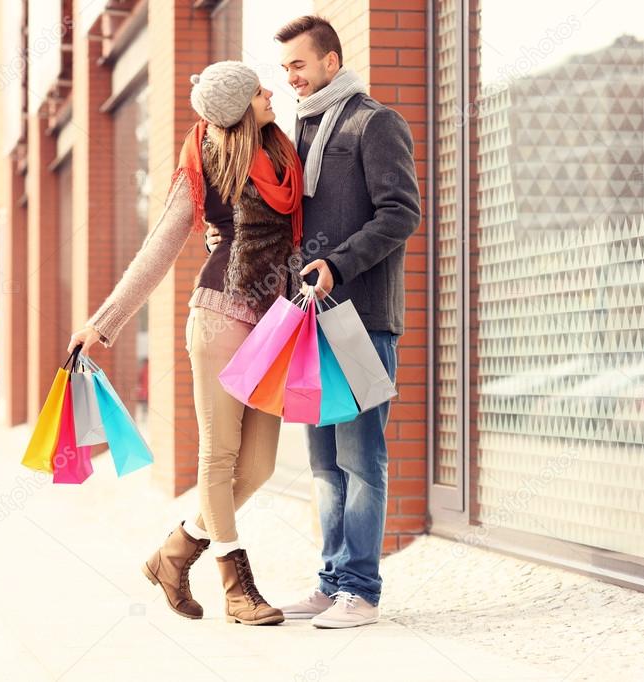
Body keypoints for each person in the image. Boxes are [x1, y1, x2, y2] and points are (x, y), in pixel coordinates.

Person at [68, 61, 305, 626]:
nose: (270, 90)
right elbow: (160, 248)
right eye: (257, 89)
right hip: (220, 314)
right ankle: (237, 587)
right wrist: (103, 322)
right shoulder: (204, 163)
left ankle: (173, 554)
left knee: (260, 465)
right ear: (237, 106)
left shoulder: (284, 155)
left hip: (274, 322)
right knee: (218, 456)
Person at [208, 16, 422, 629]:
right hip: (306, 321)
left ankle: (362, 590)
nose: (291, 77)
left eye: (299, 65)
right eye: (285, 69)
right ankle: (331, 582)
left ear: (331, 61)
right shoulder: (292, 131)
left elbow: (401, 212)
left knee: (360, 459)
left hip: (362, 319)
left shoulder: (373, 122)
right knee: (324, 465)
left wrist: (338, 261)